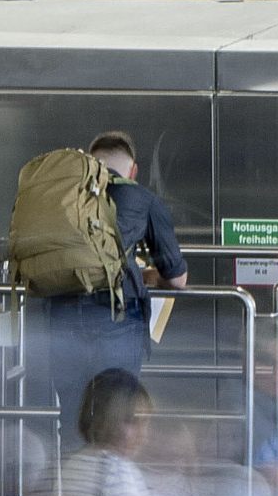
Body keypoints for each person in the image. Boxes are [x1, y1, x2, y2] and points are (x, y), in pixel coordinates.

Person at [40, 129, 186, 420]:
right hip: (117, 317)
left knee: (72, 414)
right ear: (133, 171)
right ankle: (108, 463)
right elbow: (177, 279)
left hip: (61, 315)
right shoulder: (144, 200)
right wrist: (151, 277)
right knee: (115, 415)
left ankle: (75, 463)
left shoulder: (64, 196)